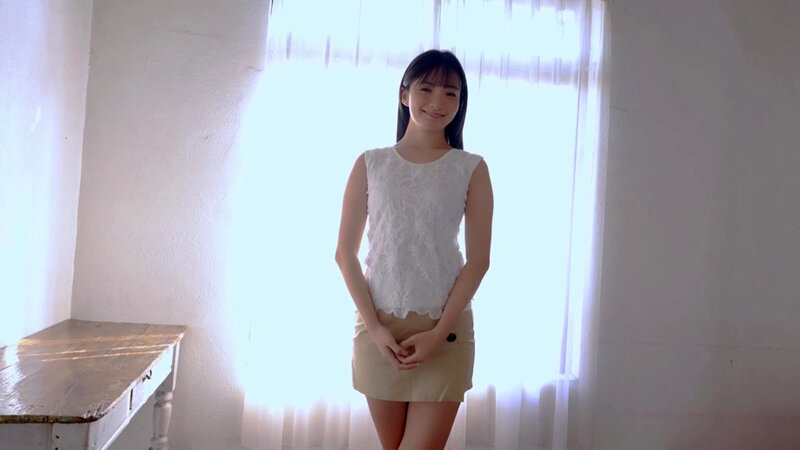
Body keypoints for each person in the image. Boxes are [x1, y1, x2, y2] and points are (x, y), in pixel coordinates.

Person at [335, 49, 493, 450]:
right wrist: (375, 329)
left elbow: (478, 261)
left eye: (451, 93)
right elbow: (345, 255)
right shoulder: (370, 163)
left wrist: (438, 333)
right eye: (426, 89)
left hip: (445, 329)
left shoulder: (471, 167)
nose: (438, 101)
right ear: (404, 94)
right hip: (379, 329)